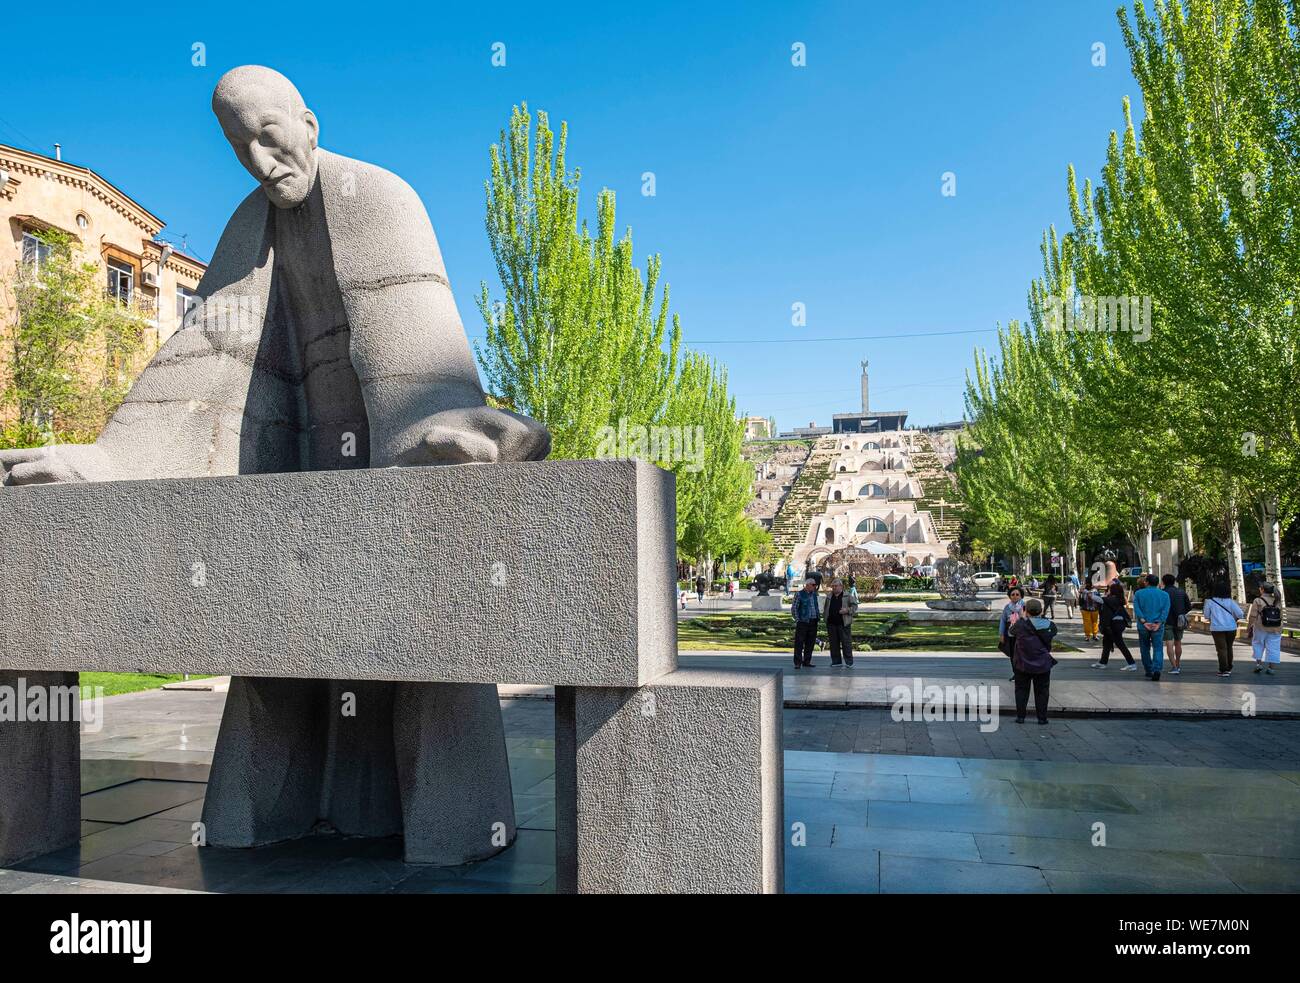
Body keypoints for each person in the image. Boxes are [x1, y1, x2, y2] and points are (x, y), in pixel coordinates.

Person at [1009, 596, 1057, 724]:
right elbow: (1053, 633)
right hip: (1042, 663)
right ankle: (1042, 718)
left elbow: (1011, 632)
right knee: (1042, 691)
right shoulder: (1050, 625)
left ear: (1025, 610)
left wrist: (1020, 617)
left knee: (1021, 690)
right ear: (1041, 611)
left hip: (1022, 663)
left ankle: (1021, 717)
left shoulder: (1021, 624)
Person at [1132, 573, 1171, 681]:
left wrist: (1144, 621)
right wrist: (1159, 622)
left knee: (1144, 648)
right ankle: (1157, 669)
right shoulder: (1164, 595)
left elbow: (1137, 608)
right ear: (1157, 583)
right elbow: (1165, 610)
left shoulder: (1139, 594)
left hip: (1143, 625)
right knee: (1158, 647)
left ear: (1146, 582)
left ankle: (1149, 670)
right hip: (1157, 625)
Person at [1093, 582, 1137, 669]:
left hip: (1113, 625)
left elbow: (1096, 598)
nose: (1108, 590)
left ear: (1113, 591)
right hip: (1117, 624)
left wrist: (1090, 591)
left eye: (1109, 589)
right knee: (1107, 643)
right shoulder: (1119, 599)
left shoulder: (1111, 599)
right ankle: (1103, 662)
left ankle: (1132, 663)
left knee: (1120, 644)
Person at [1205, 580, 1244, 677]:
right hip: (1231, 628)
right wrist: (1234, 619)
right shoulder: (1231, 602)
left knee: (1221, 649)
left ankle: (1223, 670)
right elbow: (1240, 614)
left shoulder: (1210, 602)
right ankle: (1229, 667)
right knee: (1229, 647)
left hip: (1217, 628)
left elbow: (1206, 615)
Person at [1247, 582, 1284, 675]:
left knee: (1258, 644)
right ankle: (1271, 668)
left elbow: (1253, 616)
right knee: (1274, 648)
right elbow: (1281, 616)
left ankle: (1259, 664)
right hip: (1276, 628)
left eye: (1260, 588)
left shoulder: (1258, 600)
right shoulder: (1277, 600)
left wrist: (1249, 627)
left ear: (1262, 589)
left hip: (1260, 627)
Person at [825, 577, 858, 668]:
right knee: (833, 644)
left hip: (843, 624)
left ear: (841, 586)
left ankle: (849, 662)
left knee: (846, 643)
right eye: (833, 586)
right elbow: (825, 609)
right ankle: (836, 661)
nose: (834, 588)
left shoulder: (847, 596)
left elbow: (855, 607)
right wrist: (826, 619)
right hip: (831, 624)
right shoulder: (829, 596)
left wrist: (847, 610)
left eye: (836, 586)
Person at [1161, 573, 1191, 674]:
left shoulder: (1162, 593)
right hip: (1179, 620)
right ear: (1174, 581)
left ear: (1163, 582)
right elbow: (1188, 607)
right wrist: (1181, 613)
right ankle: (1178, 664)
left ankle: (1173, 667)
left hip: (1167, 620)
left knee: (1169, 643)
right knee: (1178, 642)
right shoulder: (1181, 592)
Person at [791, 576, 821, 669]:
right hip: (803, 621)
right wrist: (797, 619)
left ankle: (807, 661)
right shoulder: (799, 594)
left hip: (813, 621)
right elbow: (794, 608)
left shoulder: (814, 594)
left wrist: (818, 616)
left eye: (815, 585)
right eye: (813, 585)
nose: (815, 586)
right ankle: (797, 662)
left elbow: (815, 607)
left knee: (810, 642)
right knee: (799, 642)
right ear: (807, 585)